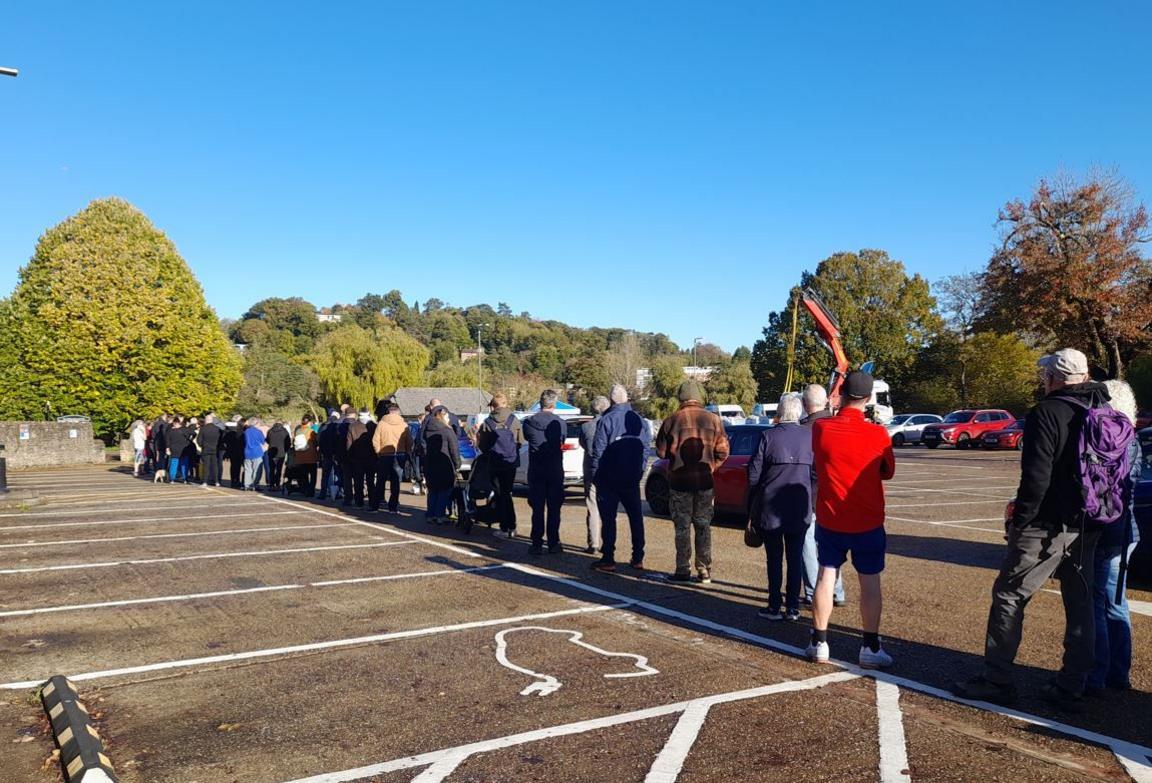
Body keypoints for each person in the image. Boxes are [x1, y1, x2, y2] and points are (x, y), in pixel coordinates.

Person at [953, 349, 1112, 711]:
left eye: (1045, 375)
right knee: (1081, 601)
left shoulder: (1047, 413)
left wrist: (1019, 520)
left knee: (1010, 595)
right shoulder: (1104, 409)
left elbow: (1037, 476)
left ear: (1055, 378)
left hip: (1046, 523)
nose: (1043, 380)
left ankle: (997, 679)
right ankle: (1073, 683)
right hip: (1090, 521)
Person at [806, 370, 895, 669]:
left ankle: (819, 641)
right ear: (868, 399)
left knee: (825, 577)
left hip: (831, 519)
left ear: (841, 395)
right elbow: (887, 471)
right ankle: (870, 645)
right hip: (868, 519)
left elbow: (819, 450)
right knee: (870, 581)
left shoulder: (822, 430)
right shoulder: (878, 434)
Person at [1089, 379, 1142, 694]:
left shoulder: (1104, 437)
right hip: (1127, 528)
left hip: (1106, 528)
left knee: (1096, 601)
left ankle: (1096, 674)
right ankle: (1118, 674)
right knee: (1116, 603)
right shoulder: (1131, 437)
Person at [655, 381, 729, 583]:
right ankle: (704, 569)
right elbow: (723, 451)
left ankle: (682, 569)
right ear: (699, 397)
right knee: (703, 525)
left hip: (679, 482)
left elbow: (660, 452)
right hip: (705, 482)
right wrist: (712, 467)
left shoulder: (671, 421)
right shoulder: (714, 420)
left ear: (681, 397)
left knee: (682, 527)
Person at [747, 394, 812, 620]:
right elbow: (816, 474)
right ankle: (792, 607)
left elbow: (753, 473)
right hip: (799, 508)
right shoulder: (809, 437)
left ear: (780, 412)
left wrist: (753, 500)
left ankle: (774, 605)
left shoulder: (767, 436)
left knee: (773, 558)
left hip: (771, 507)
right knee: (795, 558)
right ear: (799, 412)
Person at [590, 385, 652, 572]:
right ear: (626, 399)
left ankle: (608, 558)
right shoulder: (640, 421)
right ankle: (638, 557)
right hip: (631, 477)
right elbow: (646, 448)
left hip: (609, 477)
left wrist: (595, 476)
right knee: (635, 517)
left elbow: (598, 452)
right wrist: (640, 471)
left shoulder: (606, 420)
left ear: (612, 400)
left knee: (609, 518)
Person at [800, 383, 845, 607]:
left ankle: (812, 591)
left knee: (808, 544)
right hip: (835, 495)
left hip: (809, 495)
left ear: (804, 404)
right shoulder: (838, 425)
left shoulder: (804, 430)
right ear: (826, 401)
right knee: (831, 545)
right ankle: (836, 590)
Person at [522, 390, 567, 555]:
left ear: (540, 403)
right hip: (554, 469)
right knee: (555, 508)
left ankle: (536, 542)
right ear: (554, 404)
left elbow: (527, 438)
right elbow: (562, 440)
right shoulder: (561, 423)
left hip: (537, 469)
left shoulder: (528, 423)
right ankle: (554, 542)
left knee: (537, 508)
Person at [475, 393, 525, 537]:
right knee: (507, 493)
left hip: (494, 463)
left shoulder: (487, 423)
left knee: (500, 494)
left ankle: (505, 527)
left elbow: (483, 446)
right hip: (510, 463)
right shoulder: (514, 420)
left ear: (493, 405)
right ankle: (512, 527)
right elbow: (521, 441)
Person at [578, 396, 610, 554]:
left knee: (592, 507)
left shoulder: (586, 427)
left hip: (591, 469)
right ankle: (607, 543)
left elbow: (583, 445)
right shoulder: (611, 424)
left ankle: (594, 543)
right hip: (608, 470)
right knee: (608, 507)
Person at [370, 403, 412, 513]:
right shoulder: (404, 425)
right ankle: (393, 507)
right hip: (400, 454)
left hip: (384, 455)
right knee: (396, 482)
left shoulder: (381, 424)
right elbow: (409, 441)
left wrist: (379, 451)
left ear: (388, 411)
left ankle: (375, 506)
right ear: (398, 411)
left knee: (380, 481)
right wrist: (407, 451)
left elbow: (375, 440)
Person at [422, 407, 460, 524]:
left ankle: (430, 514)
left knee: (432, 490)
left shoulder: (427, 429)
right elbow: (454, 449)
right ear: (443, 417)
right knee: (444, 490)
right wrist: (457, 463)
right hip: (444, 464)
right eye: (448, 416)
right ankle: (440, 515)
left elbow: (421, 444)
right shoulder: (447, 431)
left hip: (430, 463)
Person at [344, 408, 376, 508]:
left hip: (357, 458)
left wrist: (349, 456)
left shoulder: (352, 426)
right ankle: (372, 502)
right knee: (371, 481)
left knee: (358, 481)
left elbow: (349, 443)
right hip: (371, 457)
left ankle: (359, 502)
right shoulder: (374, 426)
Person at [292, 414, 320, 497]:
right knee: (313, 475)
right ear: (310, 422)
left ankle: (305, 490)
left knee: (304, 475)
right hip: (311, 457)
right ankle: (311, 491)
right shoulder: (311, 432)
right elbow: (316, 442)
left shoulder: (297, 430)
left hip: (300, 457)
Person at [318, 411, 342, 500]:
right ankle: (338, 492)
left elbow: (320, 442)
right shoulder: (338, 429)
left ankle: (323, 493)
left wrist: (323, 453)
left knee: (325, 475)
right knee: (338, 475)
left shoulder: (323, 429)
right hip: (336, 455)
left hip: (326, 455)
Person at [265, 419, 293, 491]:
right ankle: (277, 485)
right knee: (279, 469)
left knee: (271, 469)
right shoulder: (284, 431)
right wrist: (285, 450)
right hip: (281, 452)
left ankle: (271, 485)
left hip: (271, 451)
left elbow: (267, 440)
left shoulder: (270, 431)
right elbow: (288, 442)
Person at [197, 414, 223, 487]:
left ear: (206, 420)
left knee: (206, 466)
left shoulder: (203, 429)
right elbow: (220, 440)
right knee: (215, 466)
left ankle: (205, 481)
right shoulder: (218, 429)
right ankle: (217, 481)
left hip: (206, 449)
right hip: (215, 449)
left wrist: (202, 446)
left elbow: (199, 440)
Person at [242, 416, 267, 491]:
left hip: (247, 452)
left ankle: (247, 484)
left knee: (248, 469)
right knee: (257, 470)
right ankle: (254, 484)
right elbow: (263, 441)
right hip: (257, 452)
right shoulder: (258, 432)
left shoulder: (246, 431)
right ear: (256, 423)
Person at [164, 416, 191, 483]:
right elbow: (194, 433)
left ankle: (172, 479)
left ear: (174, 423)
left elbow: (167, 441)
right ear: (179, 423)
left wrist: (167, 448)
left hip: (174, 449)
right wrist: (189, 440)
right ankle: (185, 479)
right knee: (184, 464)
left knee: (174, 464)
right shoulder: (185, 429)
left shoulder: (170, 431)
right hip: (184, 449)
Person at [227, 416, 247, 489]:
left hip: (233, 452)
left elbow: (226, 441)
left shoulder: (231, 433)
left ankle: (233, 480)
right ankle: (239, 480)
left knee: (233, 467)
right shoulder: (243, 434)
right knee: (240, 467)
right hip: (241, 452)